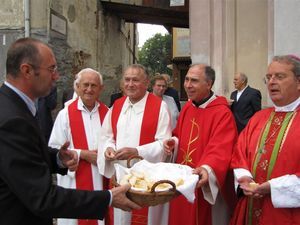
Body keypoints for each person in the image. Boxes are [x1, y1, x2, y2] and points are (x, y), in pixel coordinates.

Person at [0, 37, 140, 225]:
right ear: (27, 71)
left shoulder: (14, 106)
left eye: (94, 86)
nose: (56, 76)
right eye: (51, 69)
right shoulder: (13, 119)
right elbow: (42, 197)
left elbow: (25, 156)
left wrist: (57, 158)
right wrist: (107, 198)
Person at [230, 55, 300, 225]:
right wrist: (244, 178)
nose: (271, 82)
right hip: (249, 207)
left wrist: (273, 188)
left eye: (280, 76)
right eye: (268, 77)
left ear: (299, 82)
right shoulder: (258, 118)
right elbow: (239, 153)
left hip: (287, 216)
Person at [98, 64, 172, 225]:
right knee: (120, 219)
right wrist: (108, 149)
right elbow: (107, 136)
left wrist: (136, 151)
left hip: (146, 181)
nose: (130, 84)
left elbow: (164, 144)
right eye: (127, 80)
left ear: (146, 83)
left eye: (135, 80)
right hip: (120, 176)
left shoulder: (159, 106)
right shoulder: (117, 105)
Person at [164, 64, 238, 225]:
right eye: (187, 79)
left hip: (202, 181)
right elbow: (179, 135)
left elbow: (221, 148)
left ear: (209, 84)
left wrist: (206, 168)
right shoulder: (188, 107)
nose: (188, 85)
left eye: (194, 81)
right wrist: (173, 142)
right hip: (182, 180)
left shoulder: (222, 112)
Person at [49, 68, 109, 225]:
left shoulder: (108, 113)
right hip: (74, 181)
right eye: (85, 85)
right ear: (77, 87)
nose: (89, 89)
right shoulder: (65, 114)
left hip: (100, 178)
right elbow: (55, 149)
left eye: (94, 85)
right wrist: (83, 154)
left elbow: (113, 143)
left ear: (101, 89)